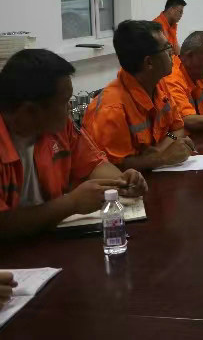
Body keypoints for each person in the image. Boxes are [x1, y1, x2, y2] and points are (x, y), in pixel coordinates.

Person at [0, 49, 147, 239]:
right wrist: (71, 204)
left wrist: (123, 183)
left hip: (51, 239)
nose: (70, 107)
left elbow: (94, 164)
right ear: (30, 111)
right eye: (64, 102)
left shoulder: (59, 127)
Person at [83, 20, 195, 170]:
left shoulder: (158, 83)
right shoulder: (112, 109)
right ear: (149, 63)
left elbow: (178, 128)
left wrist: (158, 152)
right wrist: (162, 158)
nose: (173, 52)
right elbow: (111, 167)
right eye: (167, 47)